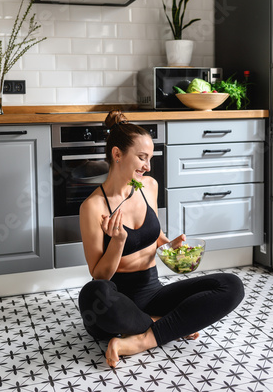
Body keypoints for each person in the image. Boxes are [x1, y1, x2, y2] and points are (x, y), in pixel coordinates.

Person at [78, 110, 244, 368]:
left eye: (150, 158)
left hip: (152, 292)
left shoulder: (149, 187)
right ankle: (168, 325)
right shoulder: (92, 206)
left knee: (231, 285)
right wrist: (118, 241)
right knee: (93, 293)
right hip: (116, 301)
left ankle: (141, 339)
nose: (148, 166)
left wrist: (169, 247)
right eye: (142, 157)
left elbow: (154, 238)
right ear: (117, 154)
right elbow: (99, 274)